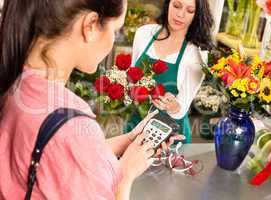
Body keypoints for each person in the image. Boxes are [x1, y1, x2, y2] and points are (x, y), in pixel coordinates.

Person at [0, 0, 183, 199]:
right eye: (115, 30)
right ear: (91, 25)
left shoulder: (16, 85)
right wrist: (125, 174)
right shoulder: (71, 128)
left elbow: (58, 155)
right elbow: (71, 146)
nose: (114, 39)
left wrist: (128, 140)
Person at [126, 0, 214, 143]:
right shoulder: (144, 34)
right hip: (135, 126)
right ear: (168, 4)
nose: (180, 14)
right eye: (177, 6)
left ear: (196, 15)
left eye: (190, 11)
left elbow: (182, 106)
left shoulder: (196, 53)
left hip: (169, 136)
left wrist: (172, 106)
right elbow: (132, 76)